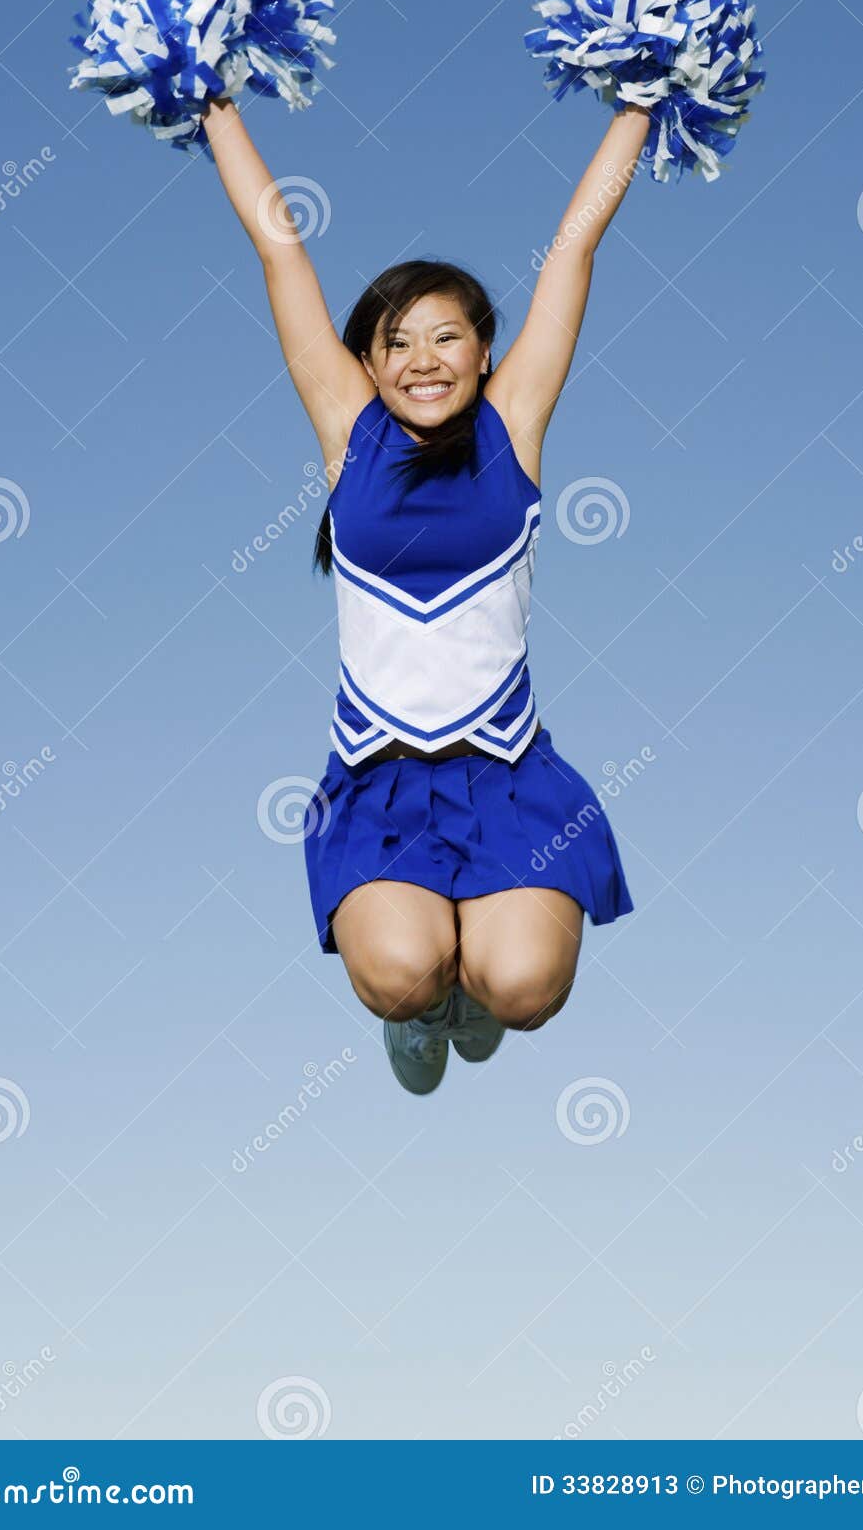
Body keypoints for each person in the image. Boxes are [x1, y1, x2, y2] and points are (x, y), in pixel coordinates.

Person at [202, 97, 647, 1094]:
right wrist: (213, 102)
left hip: (508, 772)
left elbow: (575, 246)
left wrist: (642, 99)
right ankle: (427, 1004)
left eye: (447, 338)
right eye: (397, 342)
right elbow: (279, 251)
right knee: (402, 973)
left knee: (522, 986)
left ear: (484, 353)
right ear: (366, 362)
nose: (423, 361)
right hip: (379, 778)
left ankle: (474, 999)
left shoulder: (512, 426)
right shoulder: (347, 432)